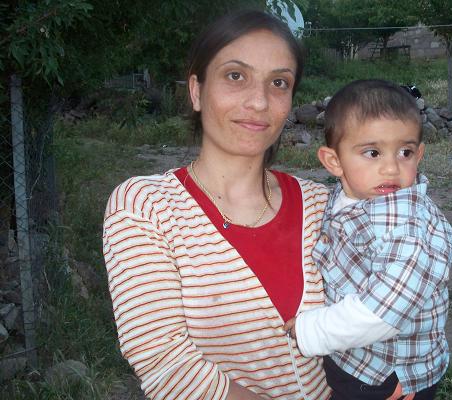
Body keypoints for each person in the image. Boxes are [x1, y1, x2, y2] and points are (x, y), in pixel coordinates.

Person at [102, 9, 331, 400]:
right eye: (235, 76)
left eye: (278, 82)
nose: (259, 102)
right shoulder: (146, 207)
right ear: (196, 91)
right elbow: (167, 367)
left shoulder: (323, 205)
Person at [284, 79, 452, 400]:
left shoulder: (409, 227)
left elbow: (382, 313)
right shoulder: (351, 197)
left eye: (405, 152)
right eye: (373, 152)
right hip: (357, 359)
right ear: (334, 161)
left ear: (419, 154)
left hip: (387, 377)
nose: (391, 168)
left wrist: (309, 330)